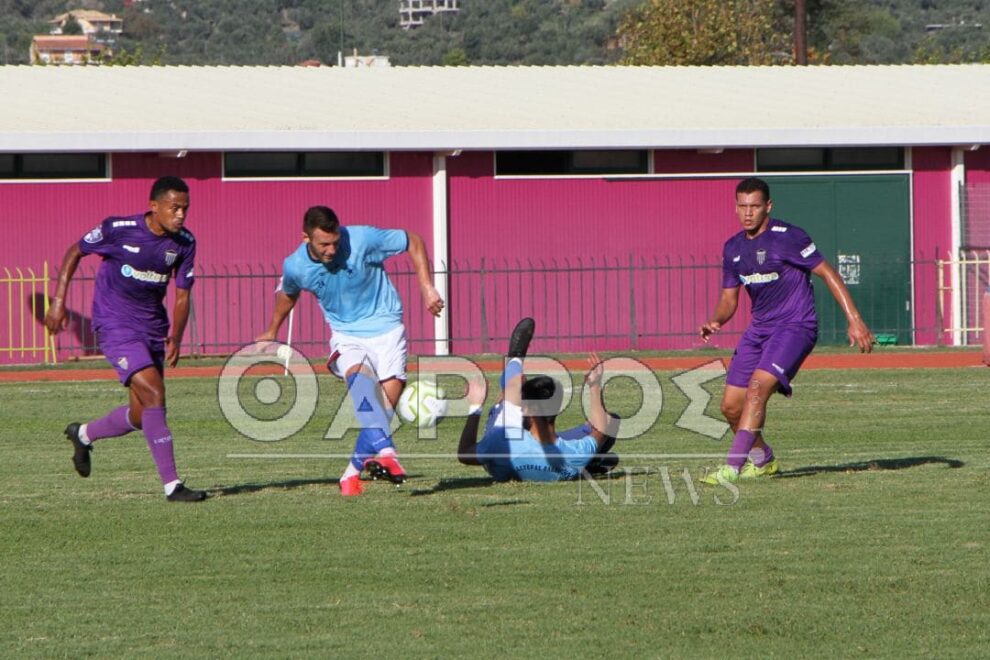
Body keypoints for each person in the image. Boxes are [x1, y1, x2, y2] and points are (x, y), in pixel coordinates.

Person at [256, 205, 444, 496]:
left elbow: (413, 240)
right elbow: (288, 294)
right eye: (324, 245)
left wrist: (427, 287)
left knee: (381, 414)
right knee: (362, 383)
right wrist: (271, 330)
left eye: (335, 242)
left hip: (389, 329)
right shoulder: (295, 266)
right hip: (346, 335)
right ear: (306, 238)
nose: (332, 250)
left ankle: (350, 475)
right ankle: (388, 453)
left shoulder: (362, 239)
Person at [699, 177, 874, 485]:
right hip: (759, 331)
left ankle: (731, 467)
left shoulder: (788, 237)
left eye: (755, 206)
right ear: (735, 207)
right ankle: (763, 459)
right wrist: (716, 320)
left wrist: (854, 319)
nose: (748, 213)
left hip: (795, 327)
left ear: (768, 206)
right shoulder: (734, 248)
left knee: (757, 389)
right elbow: (729, 299)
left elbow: (827, 272)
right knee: (729, 407)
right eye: (742, 206)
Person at [45, 176, 207, 502]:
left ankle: (84, 433)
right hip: (115, 325)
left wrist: (176, 335)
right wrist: (59, 302)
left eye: (185, 209)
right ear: (154, 206)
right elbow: (75, 252)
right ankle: (173, 486)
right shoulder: (118, 229)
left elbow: (181, 296)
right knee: (155, 393)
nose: (180, 215)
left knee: (140, 413)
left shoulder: (185, 243)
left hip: (152, 329)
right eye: (174, 208)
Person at [458, 318, 620, 482]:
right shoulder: (574, 454)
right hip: (556, 451)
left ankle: (515, 358)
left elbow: (464, 453)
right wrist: (595, 385)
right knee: (611, 421)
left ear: (526, 409)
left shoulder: (502, 440)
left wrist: (475, 406)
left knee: (514, 386)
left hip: (506, 453)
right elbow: (601, 430)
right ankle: (591, 464)